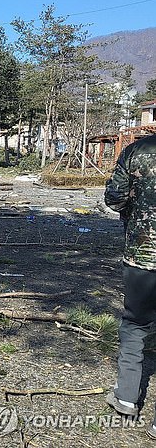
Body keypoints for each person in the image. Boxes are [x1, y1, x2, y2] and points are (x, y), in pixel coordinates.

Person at [104, 134, 156, 439]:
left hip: (142, 256)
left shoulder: (136, 150)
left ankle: (126, 397)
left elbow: (114, 198)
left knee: (135, 325)